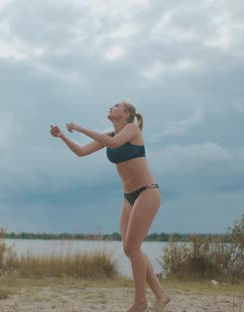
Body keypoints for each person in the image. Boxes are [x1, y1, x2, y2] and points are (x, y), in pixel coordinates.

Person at [50, 101, 171, 312]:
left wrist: (79, 127)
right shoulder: (109, 135)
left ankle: (141, 302)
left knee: (132, 248)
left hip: (147, 192)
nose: (111, 108)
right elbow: (81, 152)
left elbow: (113, 145)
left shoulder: (131, 129)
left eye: (116, 106)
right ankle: (161, 294)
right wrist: (62, 136)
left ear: (126, 114)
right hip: (128, 197)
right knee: (130, 249)